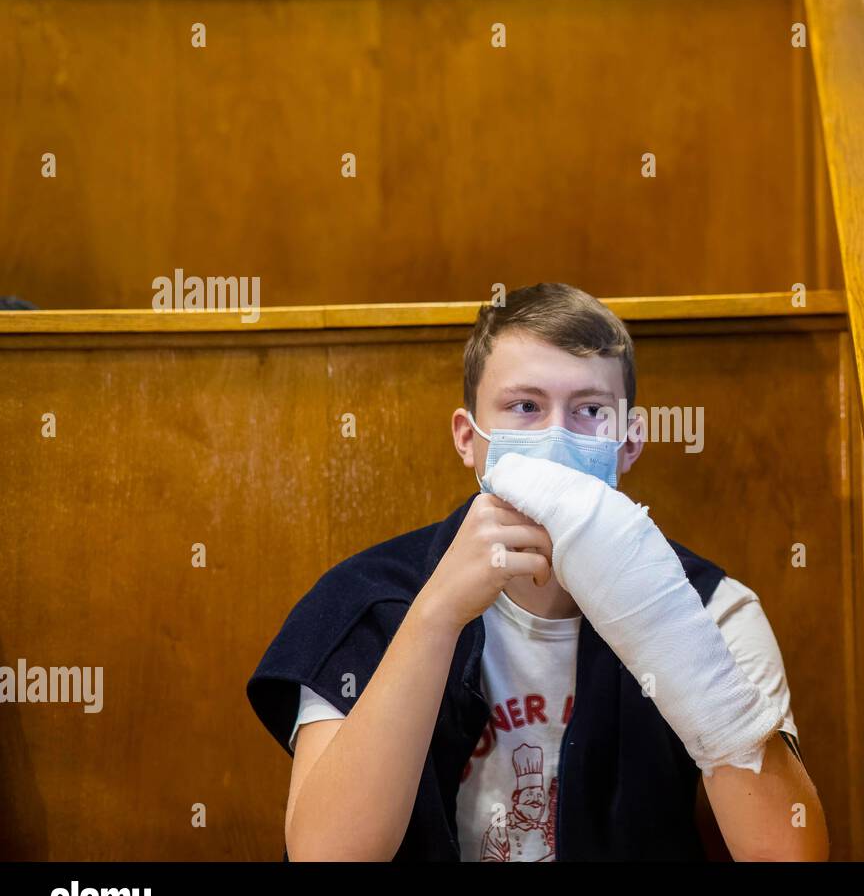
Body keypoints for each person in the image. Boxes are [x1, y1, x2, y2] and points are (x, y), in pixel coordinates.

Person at [246, 282, 829, 861]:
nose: (557, 436)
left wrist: (667, 629)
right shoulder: (367, 602)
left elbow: (788, 857)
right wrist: (437, 615)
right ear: (468, 439)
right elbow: (327, 855)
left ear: (629, 442)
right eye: (525, 406)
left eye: (590, 411)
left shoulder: (710, 608)